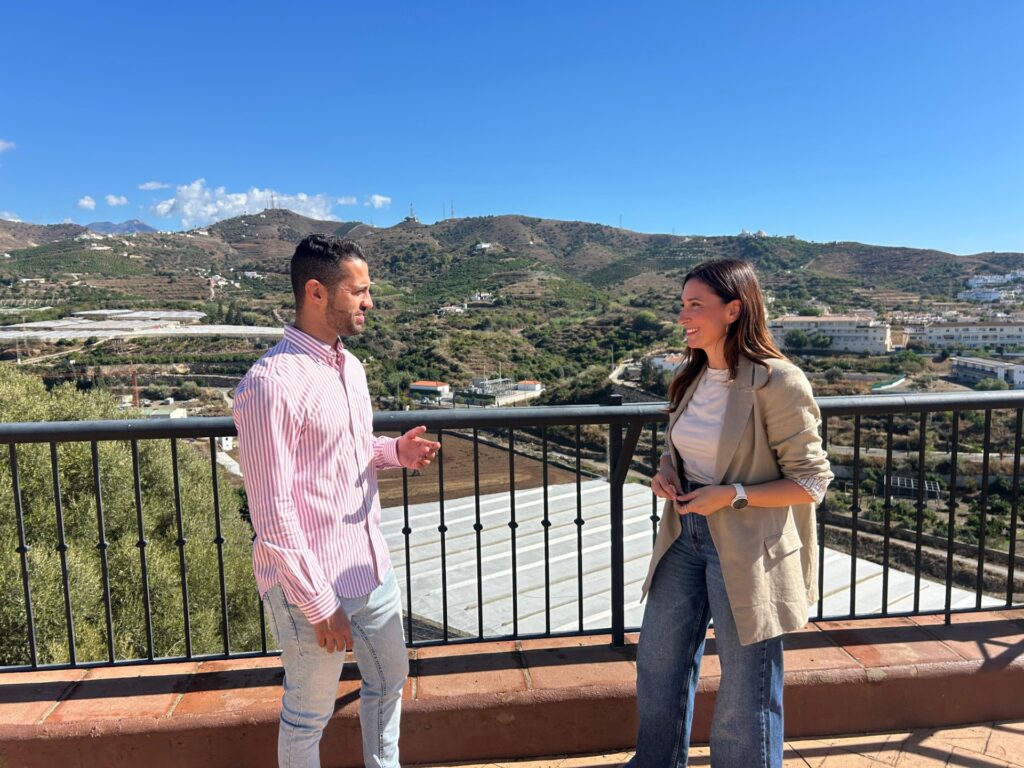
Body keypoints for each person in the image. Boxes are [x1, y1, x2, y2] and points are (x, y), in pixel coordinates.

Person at [233, 234, 440, 768]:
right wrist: (319, 604)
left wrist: (394, 451)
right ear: (316, 292)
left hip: (370, 567)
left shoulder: (351, 368)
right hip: (312, 584)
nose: (369, 301)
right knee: (308, 715)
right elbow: (272, 513)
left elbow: (349, 449)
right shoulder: (269, 384)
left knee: (390, 679)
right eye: (359, 291)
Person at [628, 259, 833, 768]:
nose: (683, 316)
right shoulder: (691, 375)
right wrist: (665, 473)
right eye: (683, 305)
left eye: (695, 305)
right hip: (685, 534)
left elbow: (812, 481)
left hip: (748, 544)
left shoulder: (778, 381)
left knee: (746, 685)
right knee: (658, 661)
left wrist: (731, 495)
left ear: (734, 309)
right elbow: (679, 450)